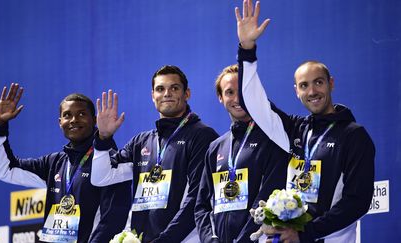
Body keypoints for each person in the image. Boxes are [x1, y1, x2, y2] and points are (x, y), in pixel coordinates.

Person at [234, 0, 375, 242]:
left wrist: (306, 233)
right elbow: (254, 103)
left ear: (331, 83)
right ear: (296, 91)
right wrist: (247, 48)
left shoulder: (354, 135)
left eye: (318, 82)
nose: (312, 92)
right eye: (304, 86)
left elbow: (357, 201)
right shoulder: (293, 130)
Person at [90, 65, 219, 242]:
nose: (167, 93)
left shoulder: (202, 136)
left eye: (174, 88)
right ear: (152, 96)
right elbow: (101, 177)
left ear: (187, 93)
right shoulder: (141, 142)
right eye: (160, 89)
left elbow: (196, 198)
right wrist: (103, 139)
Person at [0, 83, 133, 242]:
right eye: (67, 115)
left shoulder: (110, 162)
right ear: (60, 122)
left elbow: (112, 221)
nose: (73, 120)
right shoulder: (54, 163)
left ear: (95, 120)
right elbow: (4, 169)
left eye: (81, 114)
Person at [194, 64, 288, 243]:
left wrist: (243, 240)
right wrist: (210, 240)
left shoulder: (272, 139)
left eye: (243, 91)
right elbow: (202, 206)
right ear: (220, 98)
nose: (238, 98)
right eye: (229, 92)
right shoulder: (216, 148)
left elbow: (267, 196)